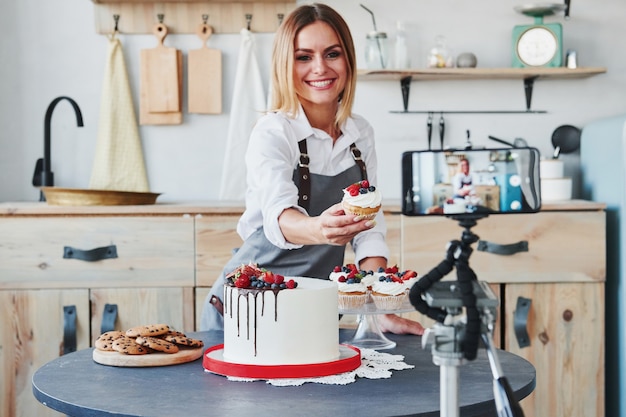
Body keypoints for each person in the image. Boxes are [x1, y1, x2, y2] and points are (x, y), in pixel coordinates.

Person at [200, 3, 423, 335]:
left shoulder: (360, 133)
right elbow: (279, 217)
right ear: (285, 65)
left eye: (332, 54)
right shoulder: (274, 131)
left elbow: (369, 228)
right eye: (304, 57)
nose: (320, 68)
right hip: (248, 310)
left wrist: (378, 305)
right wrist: (321, 229)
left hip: (314, 311)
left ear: (348, 60)